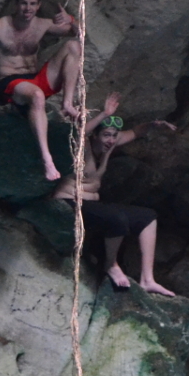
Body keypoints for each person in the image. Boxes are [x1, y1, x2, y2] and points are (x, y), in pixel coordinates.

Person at [54, 92, 177, 296]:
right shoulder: (81, 147)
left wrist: (155, 125)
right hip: (69, 202)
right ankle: (110, 265)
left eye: (113, 135)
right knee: (116, 220)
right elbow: (80, 131)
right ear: (95, 136)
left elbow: (135, 132)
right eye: (106, 135)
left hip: (93, 206)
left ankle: (147, 279)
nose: (110, 140)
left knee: (147, 217)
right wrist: (104, 114)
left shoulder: (109, 146)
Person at [0, 0, 84, 181]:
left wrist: (71, 19)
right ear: (16, 3)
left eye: (32, 4)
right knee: (37, 96)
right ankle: (47, 159)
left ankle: (67, 103)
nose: (27, 8)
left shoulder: (42, 24)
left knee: (73, 46)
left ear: (38, 5)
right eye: (23, 3)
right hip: (11, 82)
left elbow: (81, 34)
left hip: (35, 78)